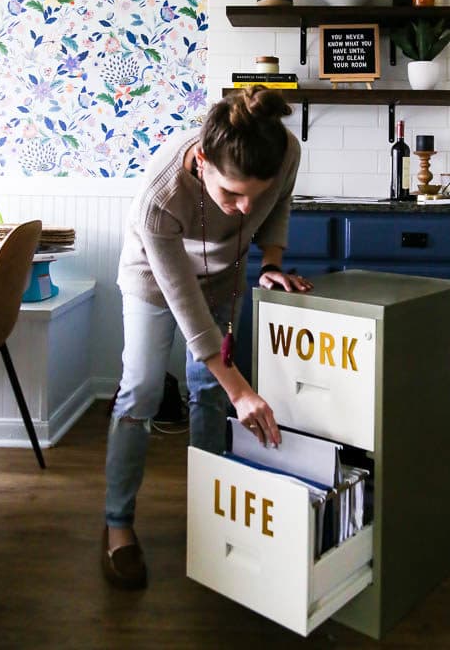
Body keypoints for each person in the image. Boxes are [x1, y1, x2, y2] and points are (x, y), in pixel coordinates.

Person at [102, 85, 312, 590]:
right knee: (143, 389)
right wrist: (244, 388)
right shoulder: (161, 197)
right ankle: (117, 523)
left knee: (210, 392)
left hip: (223, 279)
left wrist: (273, 263)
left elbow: (278, 204)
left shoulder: (285, 153)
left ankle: (211, 510)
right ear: (201, 162)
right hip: (155, 281)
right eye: (231, 193)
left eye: (251, 195)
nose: (243, 208)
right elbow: (186, 307)